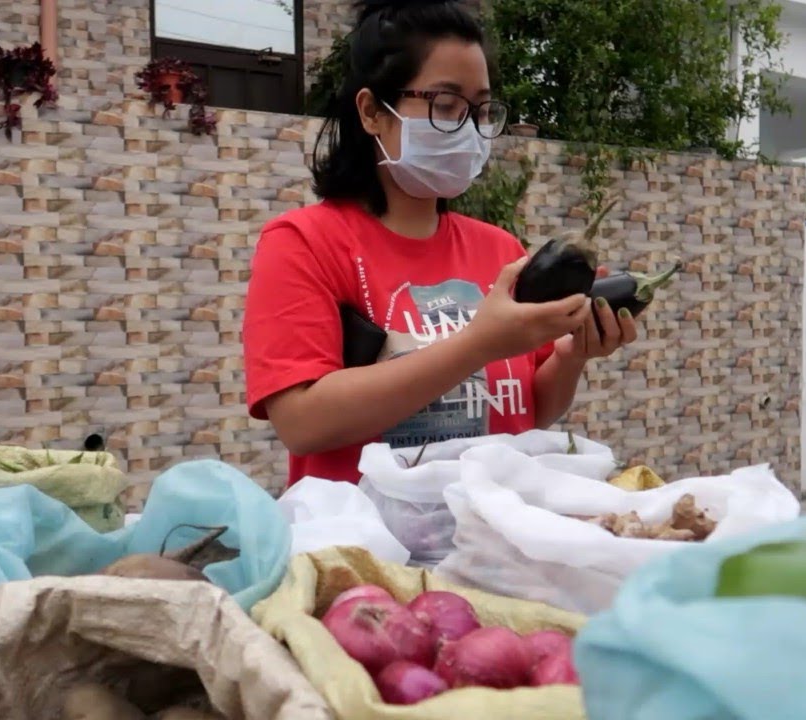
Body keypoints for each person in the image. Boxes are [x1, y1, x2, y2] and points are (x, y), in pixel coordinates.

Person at [243, 0, 638, 487]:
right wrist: (477, 346)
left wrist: (571, 354)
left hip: (486, 545)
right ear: (371, 112)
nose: (469, 128)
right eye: (445, 105)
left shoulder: (499, 249)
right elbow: (302, 422)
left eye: (481, 109)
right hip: (369, 554)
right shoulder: (304, 243)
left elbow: (527, 411)